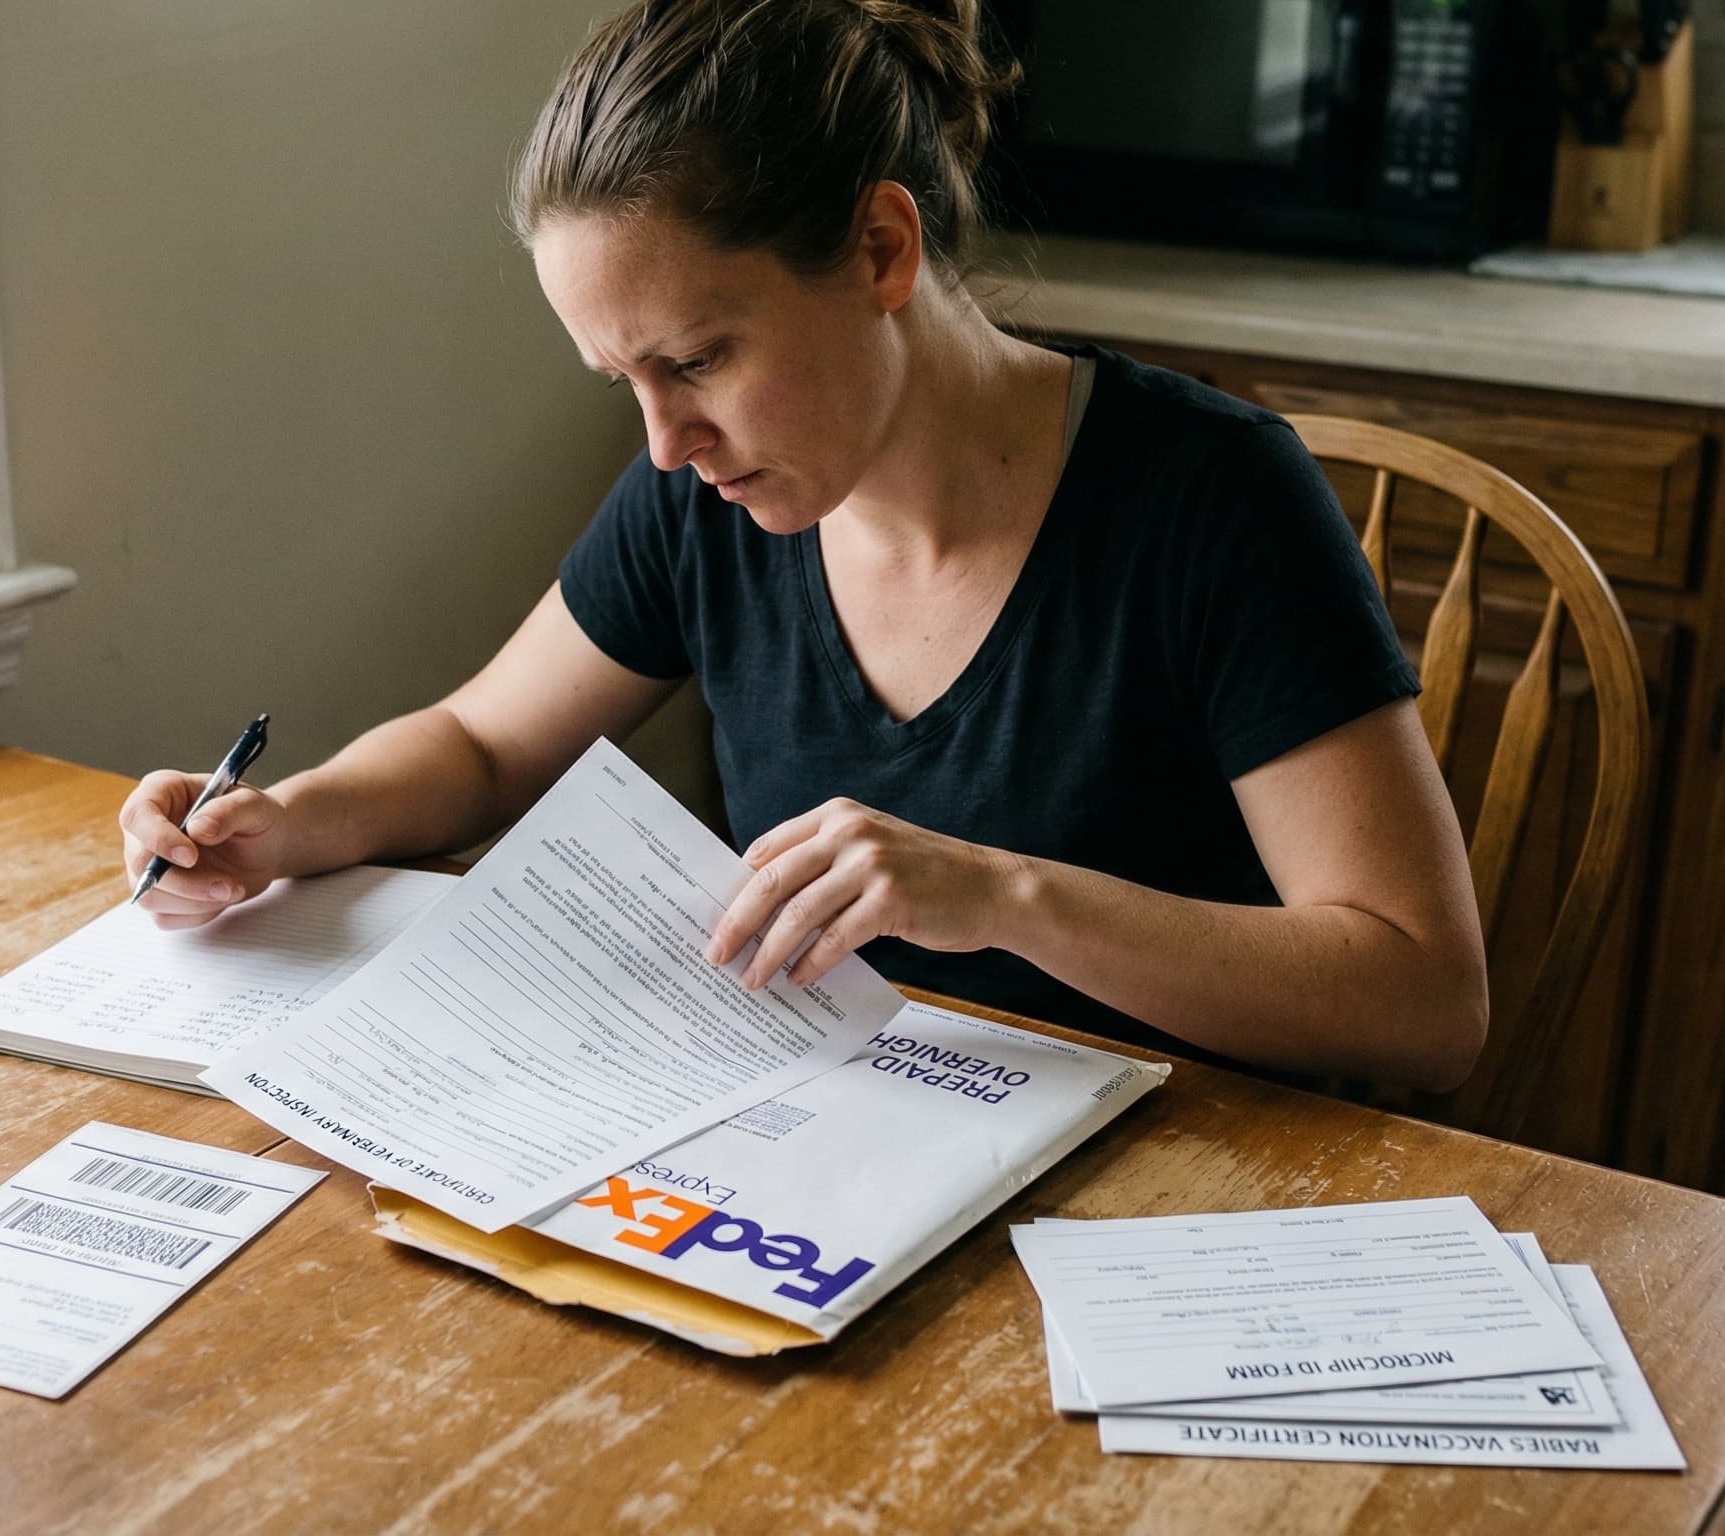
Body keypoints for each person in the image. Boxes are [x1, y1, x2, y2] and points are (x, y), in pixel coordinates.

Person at [120, 0, 1488, 1091]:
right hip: (829, 1156)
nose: (667, 443)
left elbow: (1424, 1000)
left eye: (698, 359)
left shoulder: (1214, 502)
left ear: (882, 249)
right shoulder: (706, 499)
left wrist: (1005, 897)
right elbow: (482, 746)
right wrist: (286, 824)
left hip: (1172, 1204)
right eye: (625, 381)